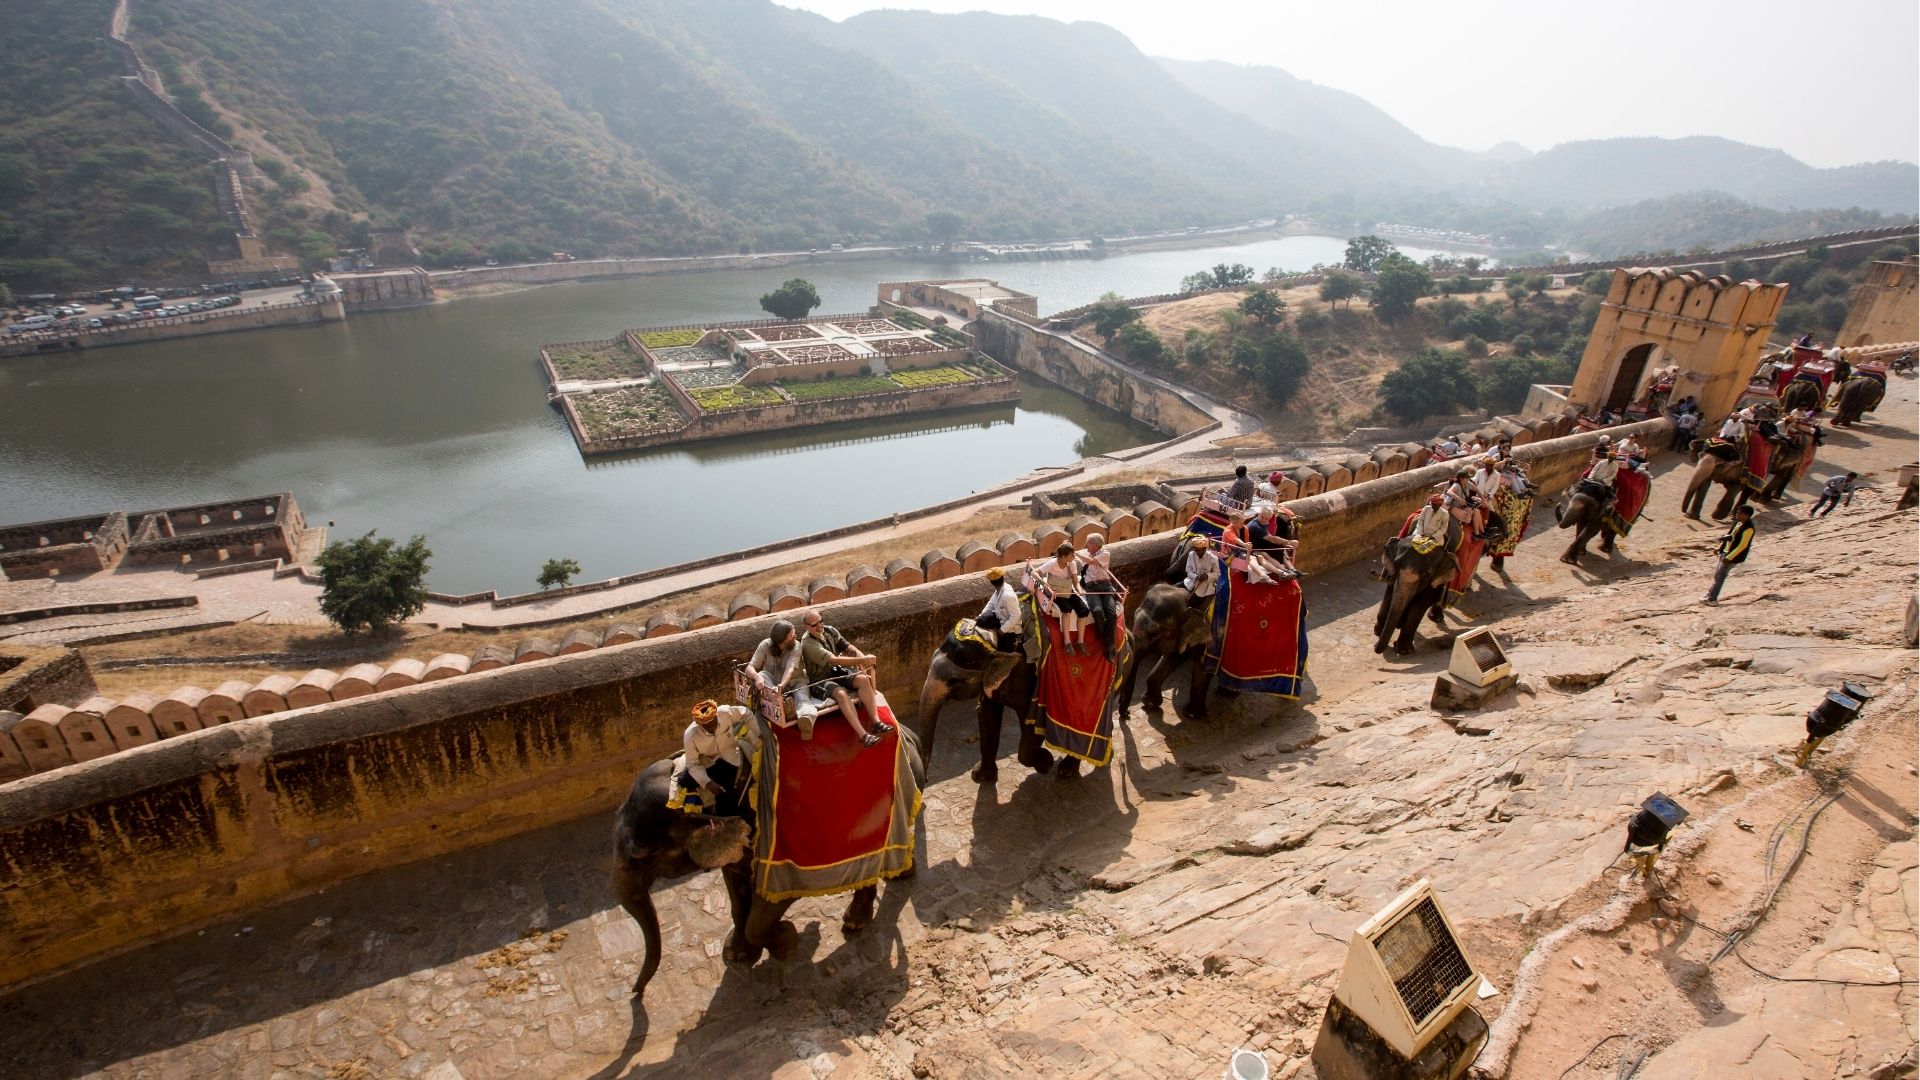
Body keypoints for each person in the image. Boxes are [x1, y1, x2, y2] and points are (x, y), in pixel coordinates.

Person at [798, 609, 887, 746]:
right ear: (806, 627)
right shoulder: (807, 643)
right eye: (815, 624)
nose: (819, 626)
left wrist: (858, 653)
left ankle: (876, 722)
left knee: (863, 679)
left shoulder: (829, 631)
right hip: (820, 680)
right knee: (841, 693)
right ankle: (863, 735)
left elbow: (846, 646)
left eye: (821, 621)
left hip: (835, 672)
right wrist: (862, 660)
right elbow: (833, 660)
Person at [680, 698, 753, 817]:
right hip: (709, 761)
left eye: (714, 723)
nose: (713, 728)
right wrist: (708, 783)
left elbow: (746, 713)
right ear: (699, 724)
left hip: (731, 757)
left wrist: (759, 734)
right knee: (685, 782)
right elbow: (693, 764)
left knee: (729, 792)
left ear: (716, 715)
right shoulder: (690, 735)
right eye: (707, 726)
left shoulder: (724, 712)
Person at [746, 619, 814, 737]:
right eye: (792, 635)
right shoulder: (765, 645)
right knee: (762, 674)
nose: (795, 636)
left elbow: (790, 669)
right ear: (782, 639)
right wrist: (757, 677)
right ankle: (781, 702)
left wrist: (781, 686)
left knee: (802, 697)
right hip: (773, 684)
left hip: (796, 682)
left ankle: (805, 718)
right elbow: (749, 668)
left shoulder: (796, 646)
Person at [1039, 543, 1093, 654]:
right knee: (1066, 609)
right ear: (1063, 556)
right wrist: (1043, 582)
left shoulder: (1071, 563)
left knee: (1084, 610)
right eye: (1072, 555)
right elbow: (1035, 572)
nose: (1074, 557)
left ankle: (1080, 641)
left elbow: (1074, 580)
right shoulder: (1052, 563)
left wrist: (1079, 589)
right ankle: (1067, 642)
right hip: (1055, 592)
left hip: (1067, 590)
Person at [1075, 533, 1122, 658]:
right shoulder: (1086, 552)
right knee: (1097, 611)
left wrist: (1076, 553)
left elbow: (1090, 561)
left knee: (1111, 613)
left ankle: (1109, 645)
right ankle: (1106, 640)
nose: (1086, 545)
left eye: (1088, 543)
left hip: (1105, 587)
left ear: (1095, 545)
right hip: (1091, 587)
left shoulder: (1105, 554)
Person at [1702, 505, 1755, 605]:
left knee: (1720, 576)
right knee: (1718, 575)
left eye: (1739, 513)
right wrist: (1719, 547)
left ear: (1746, 515)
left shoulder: (1749, 528)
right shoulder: (1738, 523)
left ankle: (1712, 599)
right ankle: (1710, 594)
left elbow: (1743, 545)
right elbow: (1731, 536)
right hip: (1725, 552)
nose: (1736, 515)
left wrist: (1729, 557)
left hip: (1732, 557)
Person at [976, 566, 1024, 652]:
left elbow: (1016, 616)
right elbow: (991, 604)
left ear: (991, 582)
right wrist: (980, 617)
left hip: (1011, 630)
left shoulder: (1008, 595)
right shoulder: (998, 591)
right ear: (1002, 578)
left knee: (1000, 652)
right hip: (1000, 621)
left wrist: (1002, 631)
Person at [1182, 535, 1220, 609]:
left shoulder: (1213, 558)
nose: (1197, 552)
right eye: (1195, 550)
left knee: (1193, 603)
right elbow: (1188, 571)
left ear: (1204, 549)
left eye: (1199, 550)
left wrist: (1207, 575)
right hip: (1191, 581)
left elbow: (1217, 574)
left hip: (1205, 586)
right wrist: (1196, 577)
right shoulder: (1191, 555)